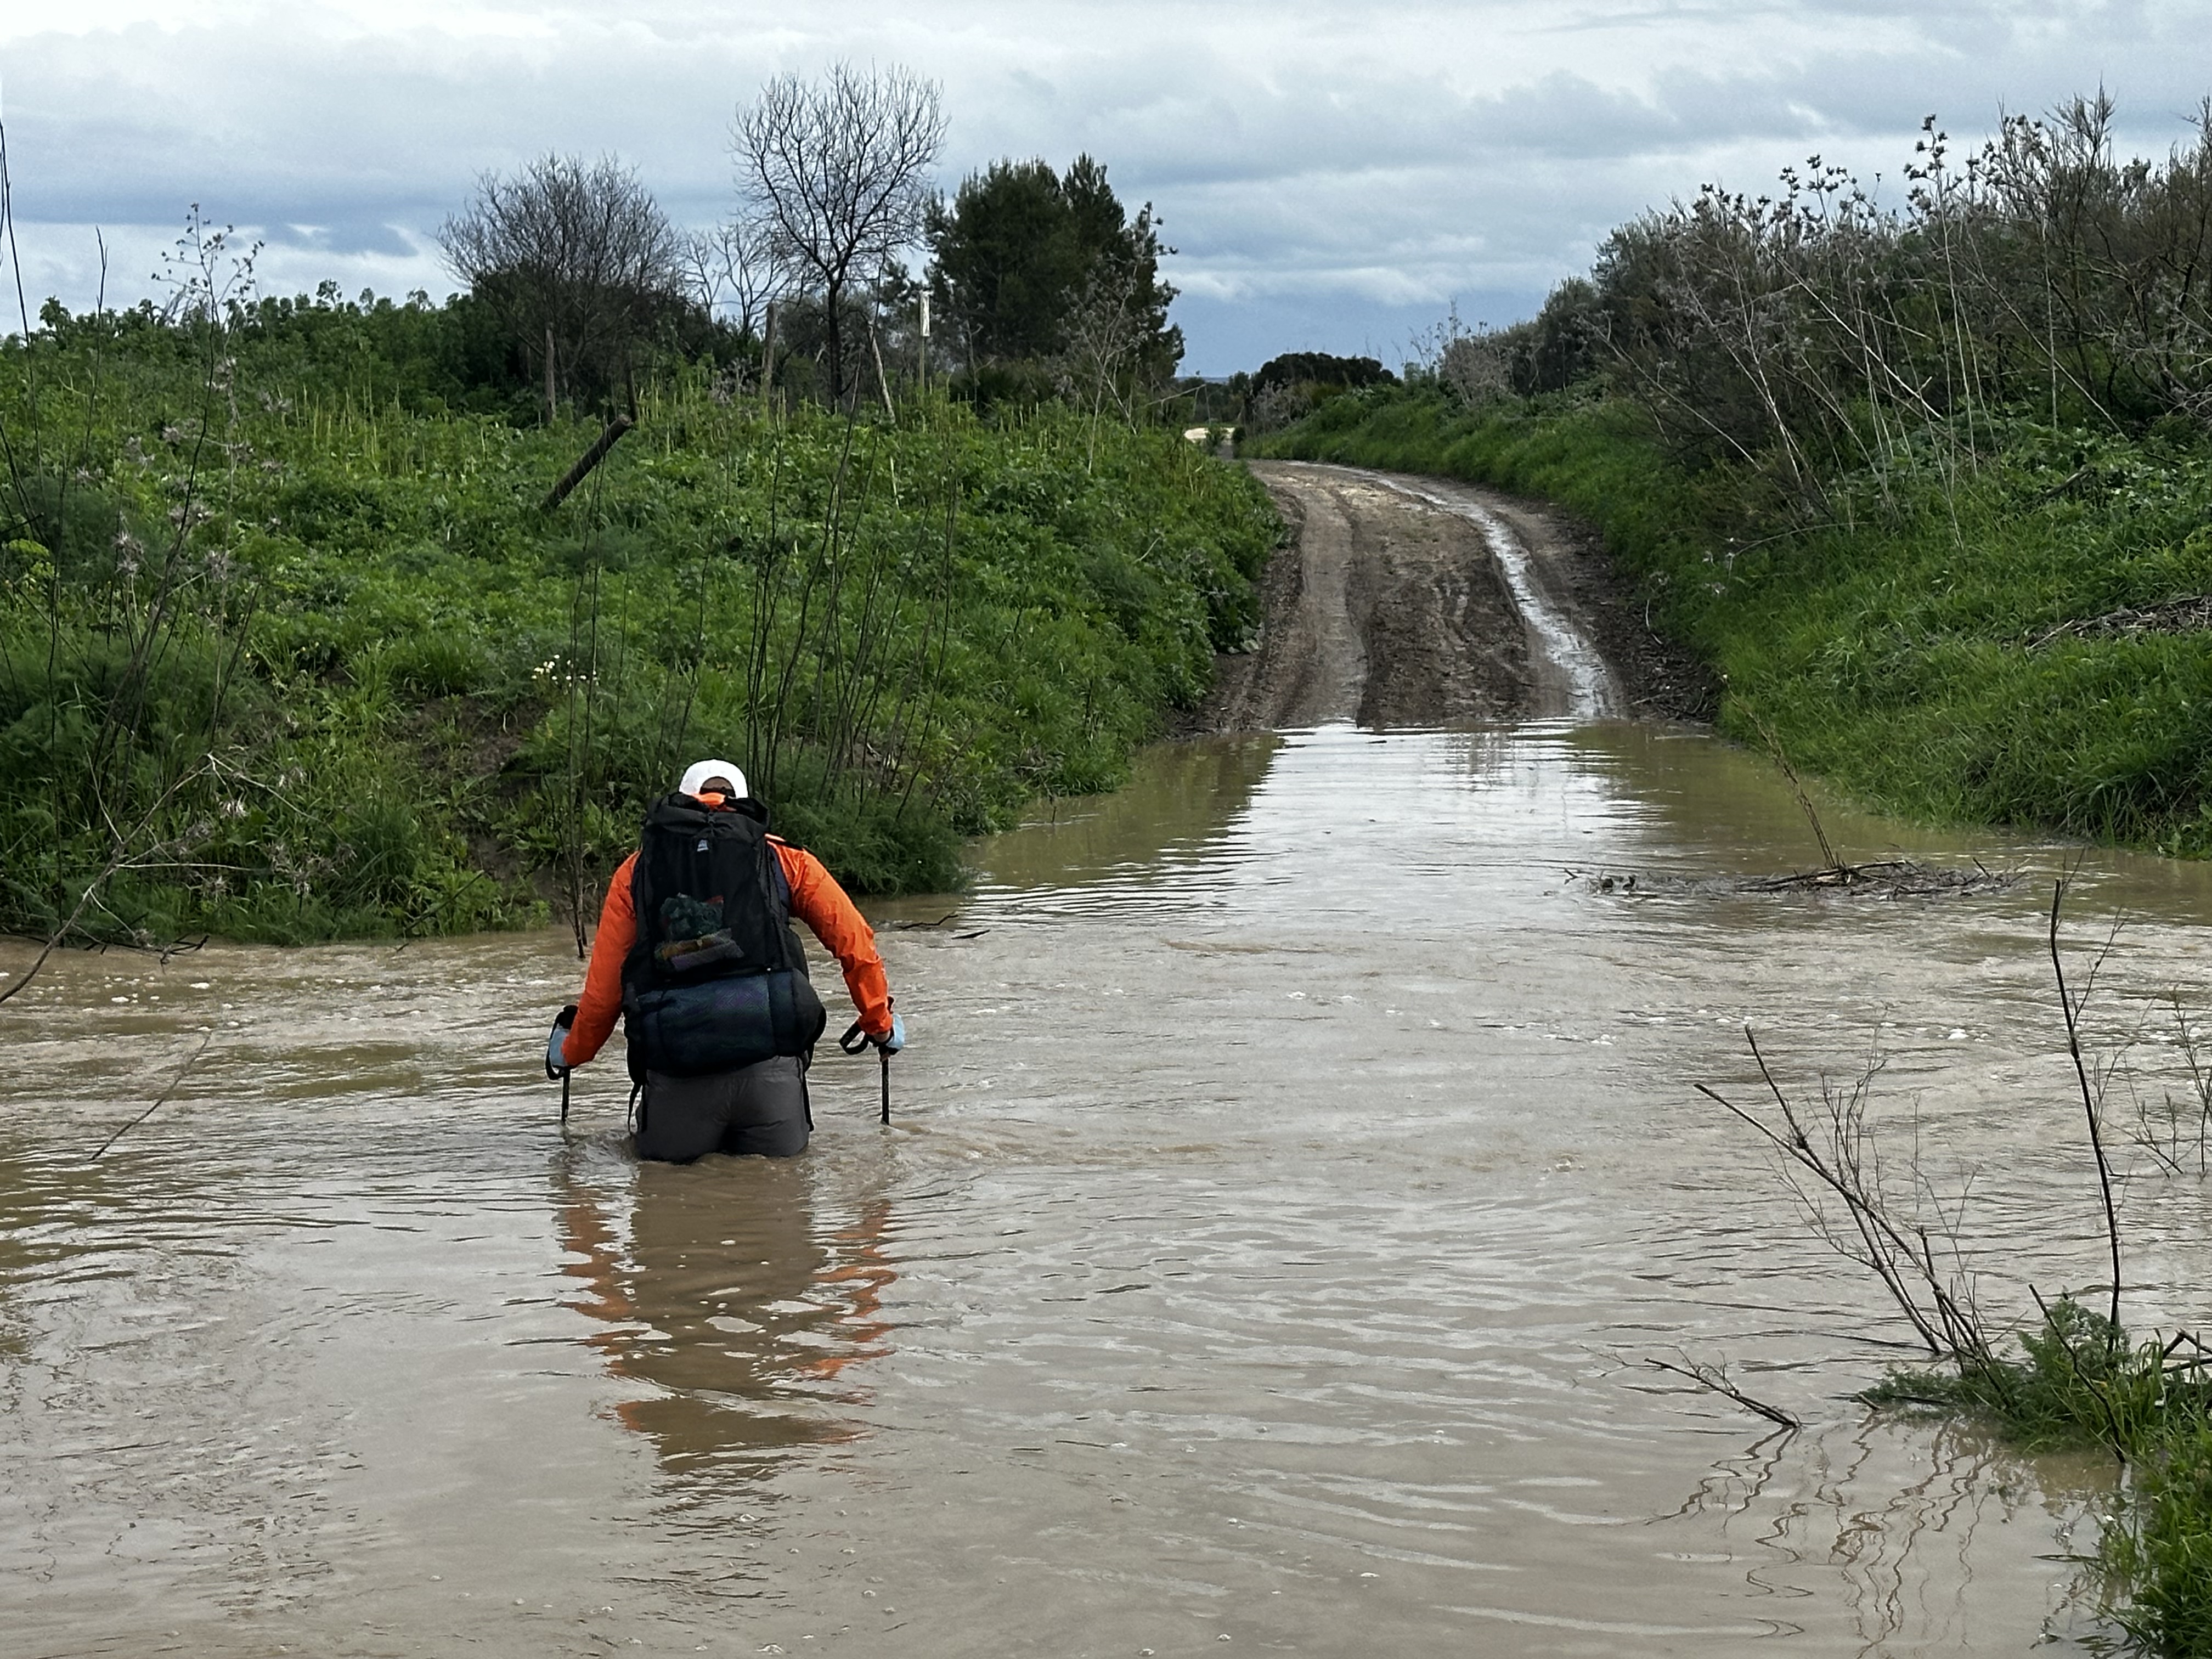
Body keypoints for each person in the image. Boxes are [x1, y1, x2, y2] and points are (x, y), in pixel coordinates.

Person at [546, 759, 905, 1162]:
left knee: (668, 1204)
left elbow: (603, 997)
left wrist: (570, 1052)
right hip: (770, 1082)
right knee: (777, 1205)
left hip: (676, 1086)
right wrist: (880, 1024)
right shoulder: (784, 860)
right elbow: (856, 946)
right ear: (745, 802)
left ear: (683, 799)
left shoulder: (637, 871)